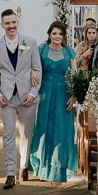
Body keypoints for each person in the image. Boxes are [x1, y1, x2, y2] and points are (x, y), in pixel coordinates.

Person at [0, 9, 42, 189]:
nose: (11, 26)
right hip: (7, 98)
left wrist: (33, 93)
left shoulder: (30, 42)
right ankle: (10, 173)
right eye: (7, 23)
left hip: (27, 96)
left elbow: (38, 69)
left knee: (26, 135)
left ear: (17, 22)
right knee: (8, 136)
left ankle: (23, 166)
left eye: (13, 22)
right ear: (2, 25)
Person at [28, 21, 78, 182]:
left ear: (64, 36)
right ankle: (42, 168)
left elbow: (75, 75)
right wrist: (31, 72)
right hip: (44, 93)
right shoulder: (41, 49)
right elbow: (28, 64)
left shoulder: (69, 51)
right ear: (49, 34)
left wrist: (74, 96)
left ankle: (58, 171)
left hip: (64, 95)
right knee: (43, 128)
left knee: (61, 131)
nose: (57, 37)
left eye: (60, 34)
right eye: (54, 33)